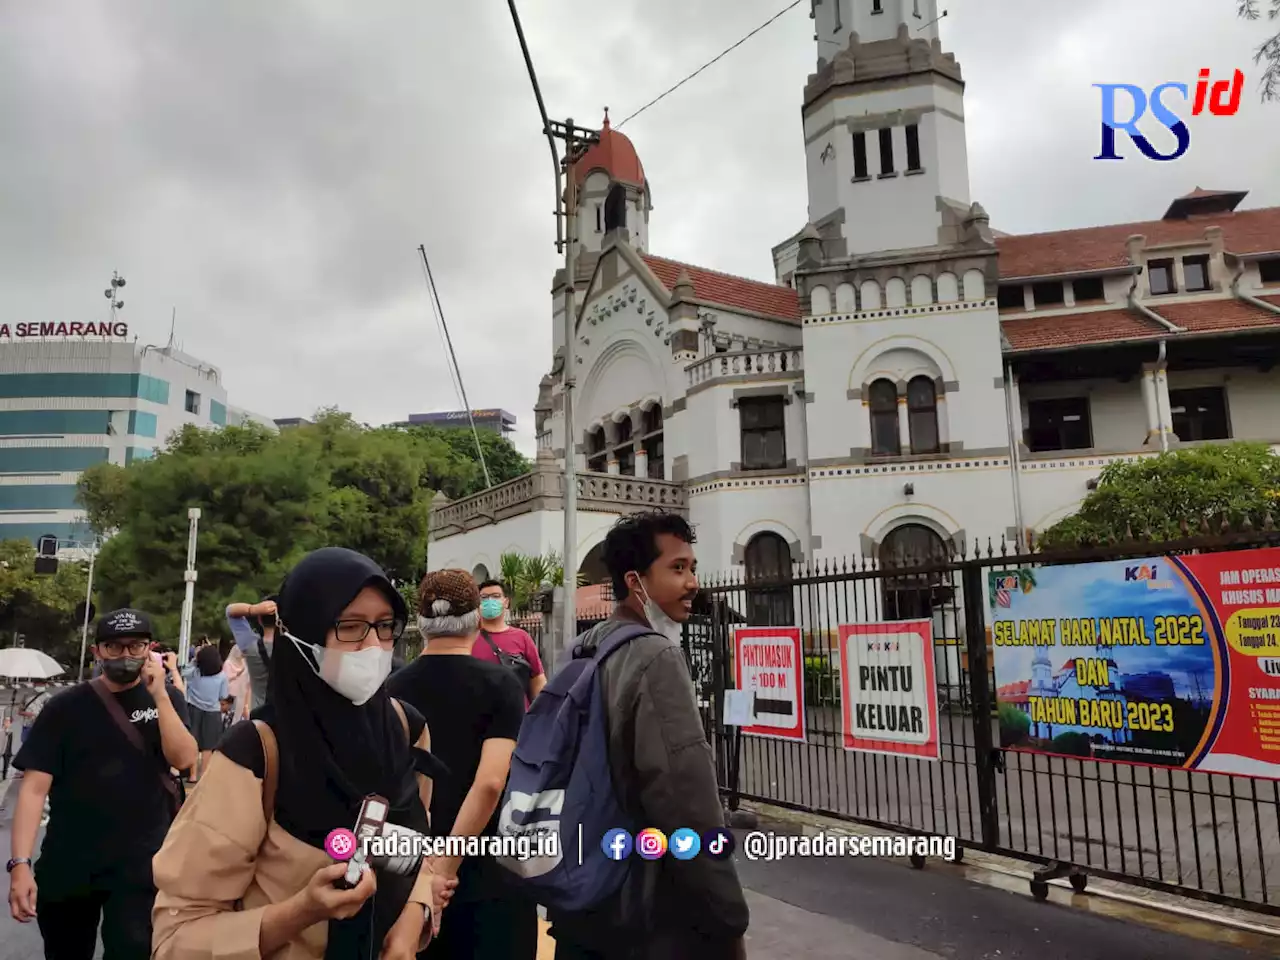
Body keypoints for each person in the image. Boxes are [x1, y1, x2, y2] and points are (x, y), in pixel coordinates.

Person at [151, 547, 453, 960]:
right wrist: (301, 912)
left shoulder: (405, 729)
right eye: (349, 627)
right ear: (303, 633)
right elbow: (177, 937)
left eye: (385, 626)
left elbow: (417, 847)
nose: (373, 646)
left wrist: (408, 928)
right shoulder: (256, 754)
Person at [546, 512, 749, 960]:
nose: (693, 581)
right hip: (645, 917)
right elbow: (683, 796)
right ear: (635, 581)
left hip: (582, 898)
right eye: (677, 568)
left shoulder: (584, 648)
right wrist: (727, 914)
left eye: (692, 567)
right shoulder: (654, 655)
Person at [8, 607, 198, 959]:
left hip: (141, 864)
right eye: (114, 647)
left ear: (151, 649)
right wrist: (19, 865)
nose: (126, 655)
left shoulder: (167, 700)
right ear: (97, 652)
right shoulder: (64, 708)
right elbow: (34, 789)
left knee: (133, 951)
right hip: (69, 863)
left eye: (136, 646)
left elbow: (186, 761)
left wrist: (159, 695)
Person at [387, 570, 535, 959]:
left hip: (408, 872)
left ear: (421, 625)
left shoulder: (391, 689)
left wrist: (428, 873)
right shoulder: (501, 684)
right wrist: (446, 867)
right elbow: (490, 783)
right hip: (485, 872)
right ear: (476, 620)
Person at [474, 579, 547, 708]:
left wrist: (539, 714)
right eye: (484, 598)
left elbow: (537, 679)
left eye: (496, 596)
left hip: (519, 718)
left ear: (506, 602)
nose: (490, 601)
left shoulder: (522, 637)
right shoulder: (469, 638)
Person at [181, 644, 228, 782]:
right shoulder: (222, 676)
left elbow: (183, 673)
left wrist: (194, 660)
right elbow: (223, 695)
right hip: (213, 712)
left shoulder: (195, 672)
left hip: (193, 709)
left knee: (193, 742)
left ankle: (193, 775)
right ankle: (204, 775)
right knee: (208, 745)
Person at [225, 596, 277, 710]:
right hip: (289, 717)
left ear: (259, 620)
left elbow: (230, 611)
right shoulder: (294, 647)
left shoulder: (251, 647)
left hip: (260, 713)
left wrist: (253, 609)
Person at [222, 645, 251, 725]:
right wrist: (236, 674)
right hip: (229, 695)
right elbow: (225, 678)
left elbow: (248, 681)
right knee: (228, 717)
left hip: (241, 695)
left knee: (237, 717)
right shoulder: (228, 663)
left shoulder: (245, 663)